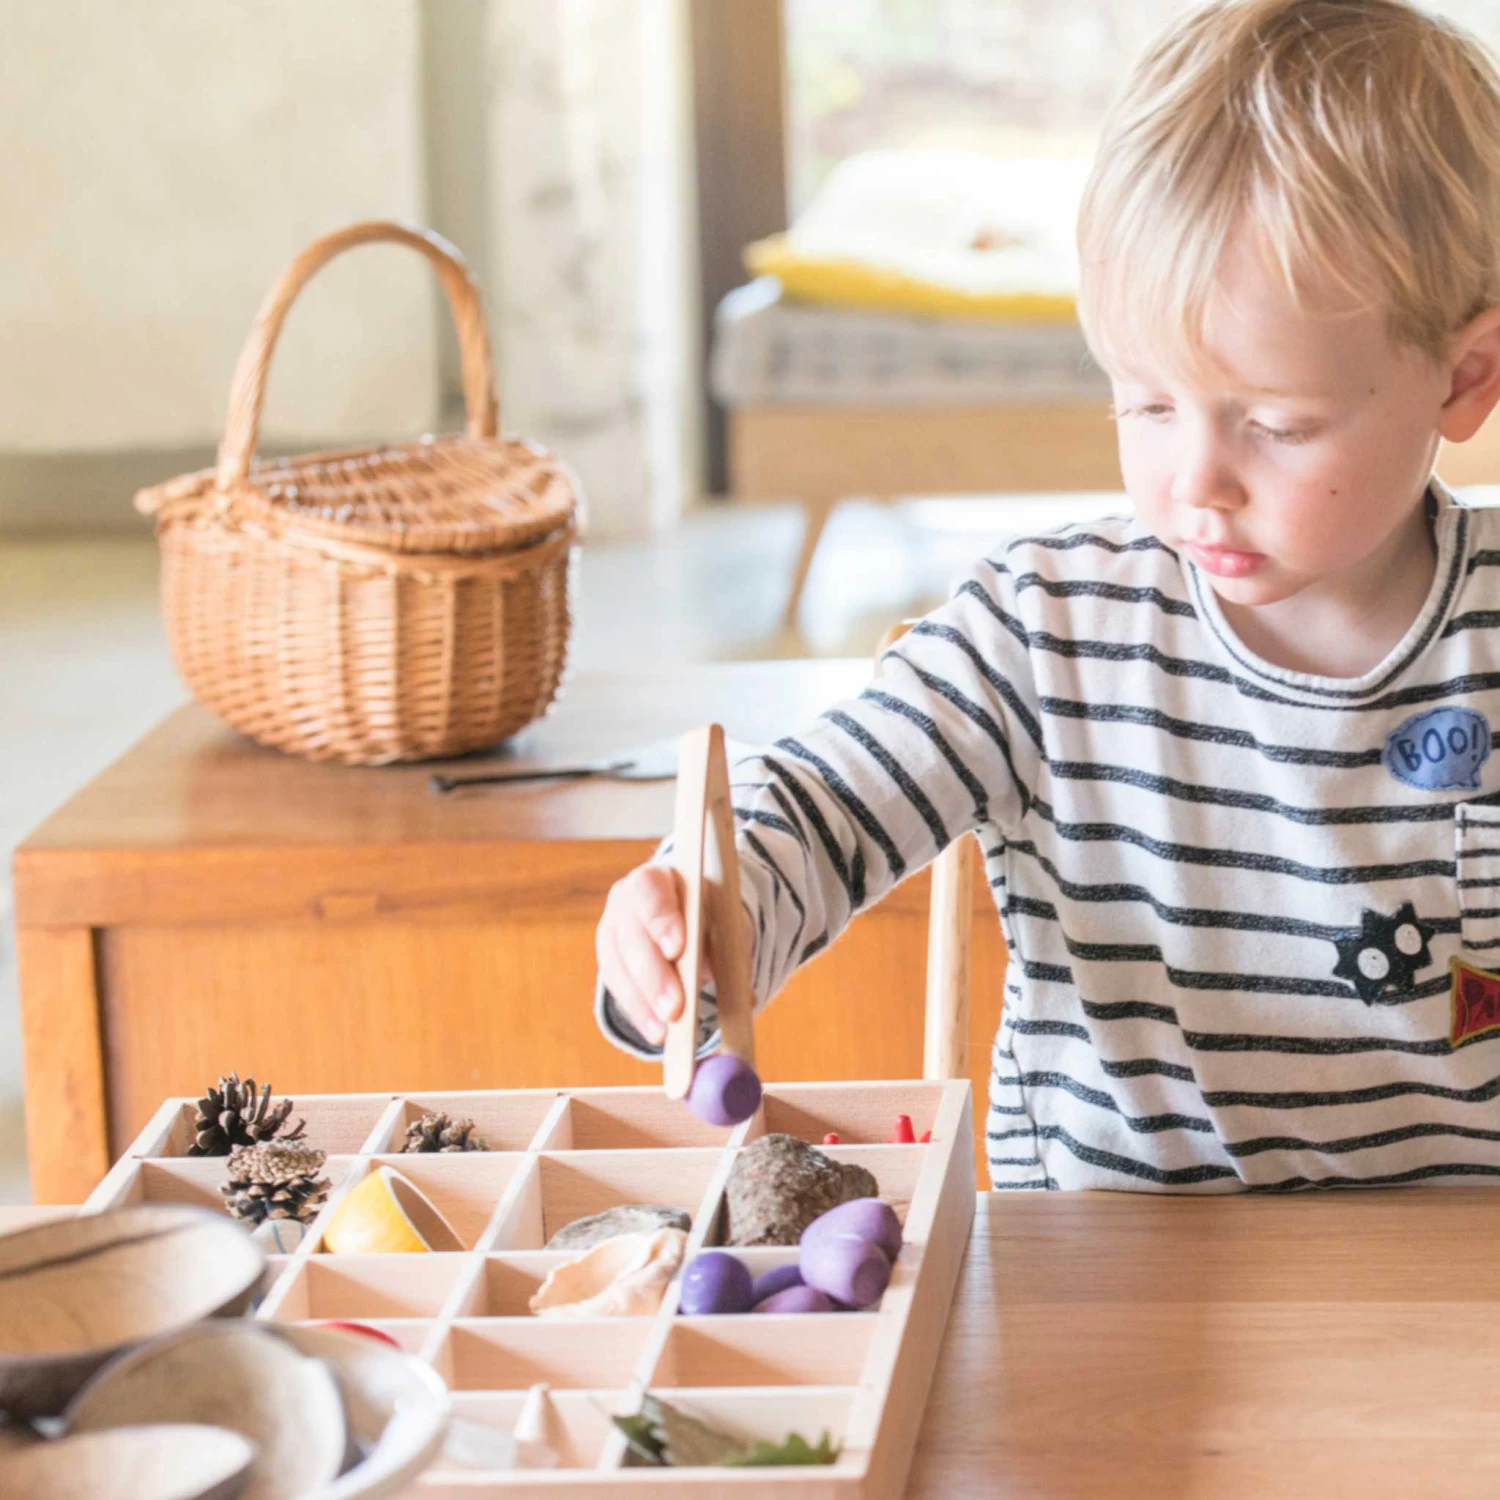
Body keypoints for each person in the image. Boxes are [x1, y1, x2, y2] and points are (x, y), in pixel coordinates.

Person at [594, 0, 1500, 1190]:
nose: (1195, 481)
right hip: (1108, 1265)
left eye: (1278, 425)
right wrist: (713, 906)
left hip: (1453, 1271)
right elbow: (823, 801)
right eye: (1146, 402)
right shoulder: (1042, 631)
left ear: (1465, 378)